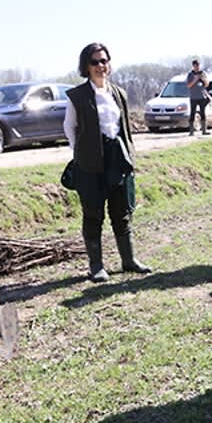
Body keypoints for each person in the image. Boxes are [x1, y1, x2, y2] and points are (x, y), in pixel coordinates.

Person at [64, 43, 151, 282]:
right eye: (95, 62)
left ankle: (129, 260)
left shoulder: (118, 93)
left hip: (117, 160)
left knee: (122, 212)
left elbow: (123, 128)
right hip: (90, 165)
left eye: (104, 60)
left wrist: (129, 156)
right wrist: (80, 153)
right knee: (93, 215)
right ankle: (96, 266)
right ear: (86, 66)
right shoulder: (77, 96)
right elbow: (69, 127)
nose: (101, 66)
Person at [186, 59, 210, 136]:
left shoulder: (203, 73)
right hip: (193, 97)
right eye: (195, 66)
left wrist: (203, 79)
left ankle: (204, 130)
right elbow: (189, 85)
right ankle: (191, 131)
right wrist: (195, 79)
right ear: (193, 66)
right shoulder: (190, 74)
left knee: (203, 113)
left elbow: (206, 85)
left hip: (202, 96)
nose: (197, 67)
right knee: (192, 113)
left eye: (198, 66)